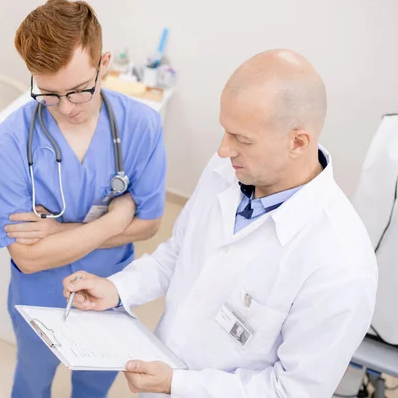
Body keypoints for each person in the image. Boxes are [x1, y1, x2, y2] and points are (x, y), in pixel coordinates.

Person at [62, 49, 378, 397]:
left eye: (242, 139)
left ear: (298, 142)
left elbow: (291, 391)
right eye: (226, 131)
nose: (224, 150)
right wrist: (120, 289)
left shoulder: (342, 267)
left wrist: (178, 384)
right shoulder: (227, 170)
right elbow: (178, 253)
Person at [0, 0, 167, 396]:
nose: (66, 108)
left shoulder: (142, 127)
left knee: (94, 383)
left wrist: (55, 232)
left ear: (104, 64)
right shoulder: (10, 142)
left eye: (79, 91)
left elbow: (150, 225)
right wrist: (115, 221)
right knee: (32, 380)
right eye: (49, 94)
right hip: (38, 296)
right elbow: (28, 257)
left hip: (110, 286)